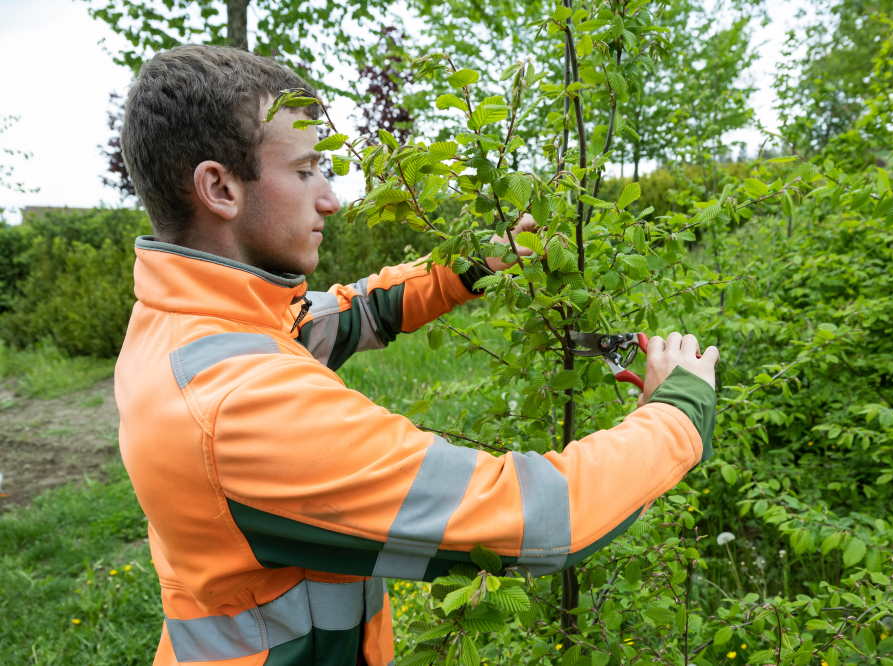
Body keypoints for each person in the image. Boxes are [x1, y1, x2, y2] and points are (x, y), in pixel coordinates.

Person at [114, 44, 720, 666]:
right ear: (219, 188)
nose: (331, 199)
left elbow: (351, 314)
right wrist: (679, 410)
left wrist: (475, 266)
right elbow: (538, 518)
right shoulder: (241, 407)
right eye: (304, 171)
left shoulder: (190, 321)